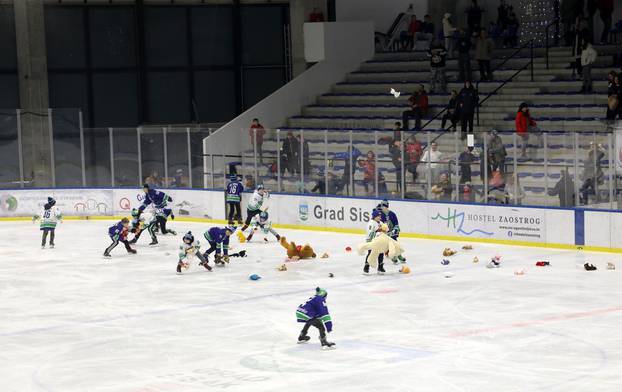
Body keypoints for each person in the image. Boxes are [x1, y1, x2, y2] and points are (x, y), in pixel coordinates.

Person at [380, 200, 406, 264]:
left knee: (395, 244)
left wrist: (394, 231)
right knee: (388, 245)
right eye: (382, 206)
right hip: (384, 234)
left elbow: (396, 224)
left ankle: (399, 256)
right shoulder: (380, 214)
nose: (382, 207)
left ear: (386, 206)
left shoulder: (392, 214)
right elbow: (379, 225)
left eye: (383, 206)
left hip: (392, 233)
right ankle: (393, 256)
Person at [363, 209, 385, 274]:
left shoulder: (380, 223)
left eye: (380, 216)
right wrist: (378, 233)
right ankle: (366, 267)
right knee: (371, 254)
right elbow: (370, 233)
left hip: (379, 241)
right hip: (371, 241)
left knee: (381, 253)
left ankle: (380, 267)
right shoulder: (371, 224)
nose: (380, 217)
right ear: (375, 216)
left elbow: (384, 230)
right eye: (378, 216)